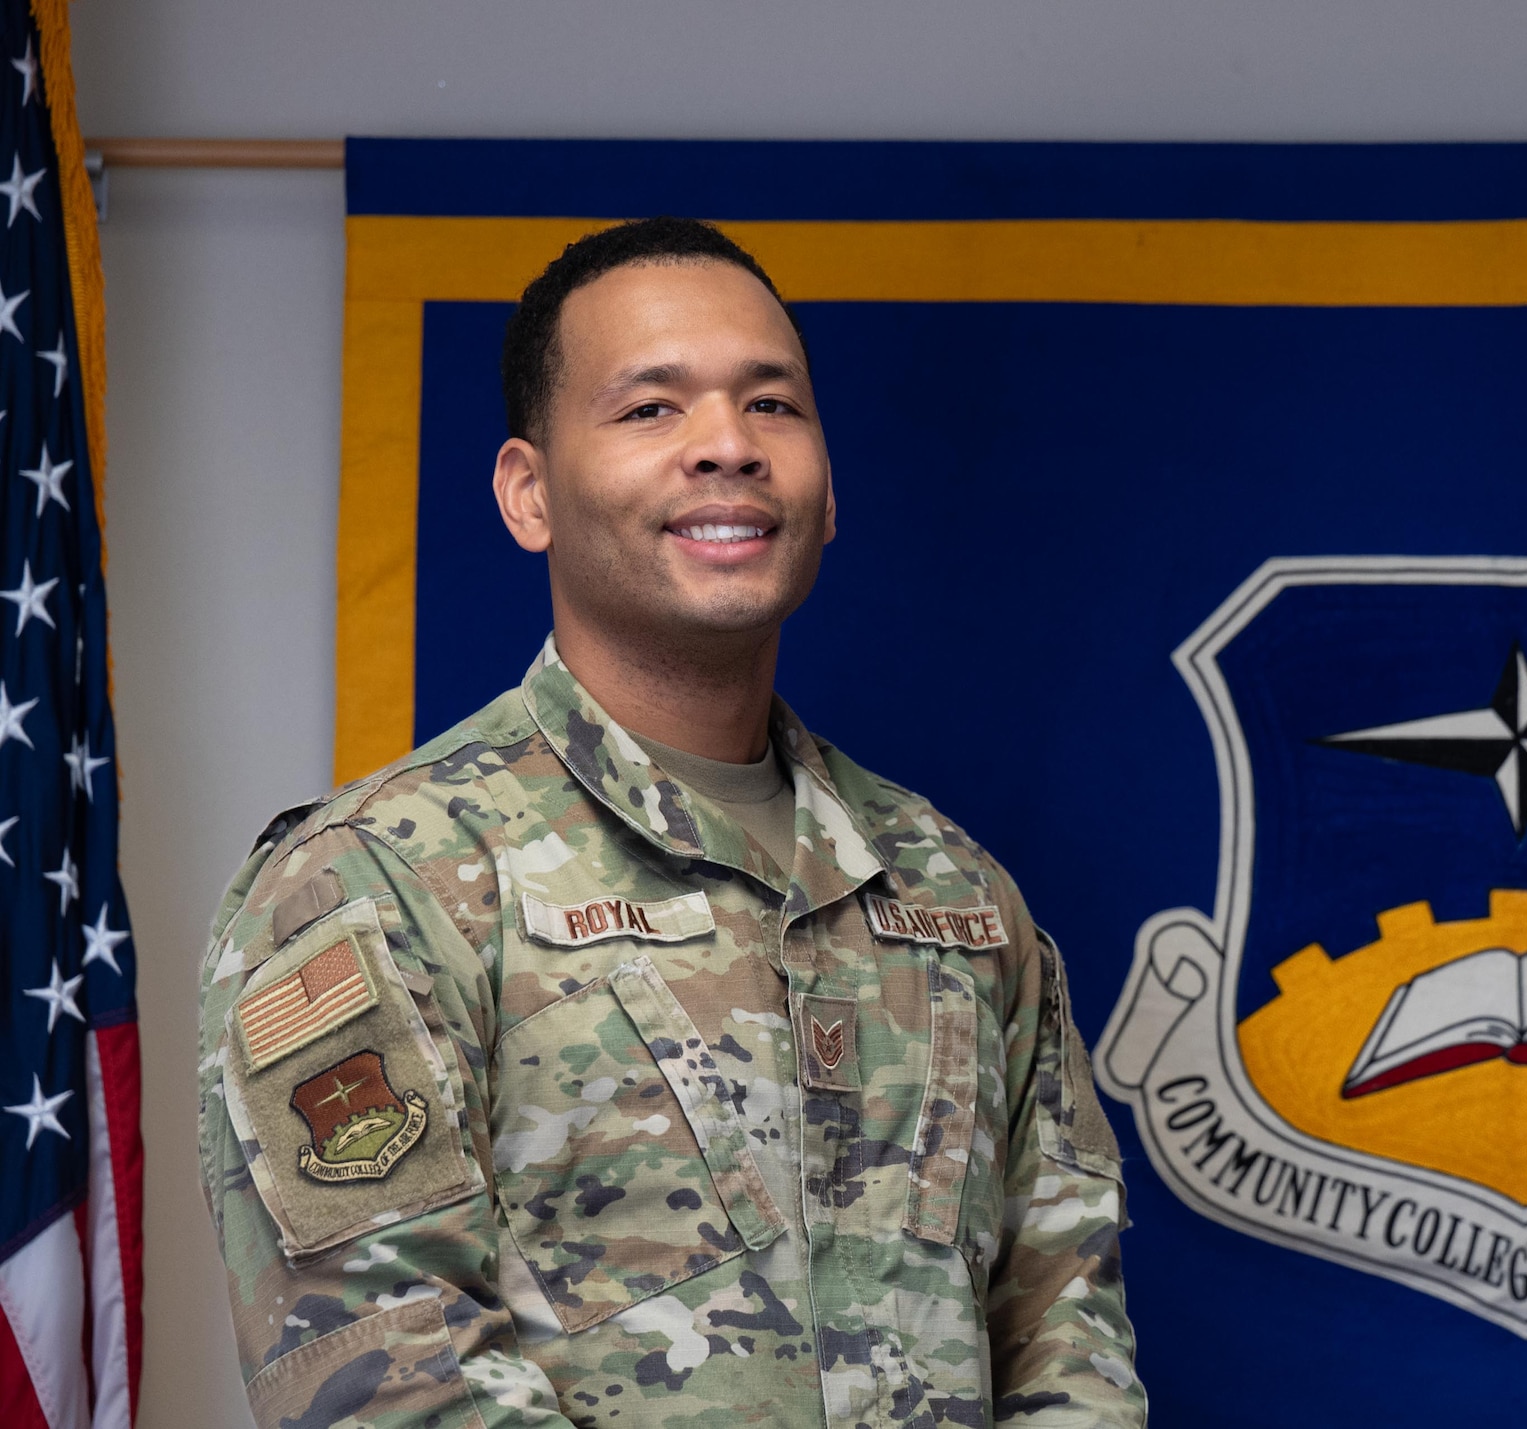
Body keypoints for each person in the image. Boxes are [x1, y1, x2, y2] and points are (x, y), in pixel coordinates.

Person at [195, 218, 1144, 1428]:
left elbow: (1068, 1323)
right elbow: (384, 1376)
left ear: (829, 491)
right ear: (528, 492)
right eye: (651, 409)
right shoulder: (379, 880)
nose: (727, 448)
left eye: (772, 406)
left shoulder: (952, 891)